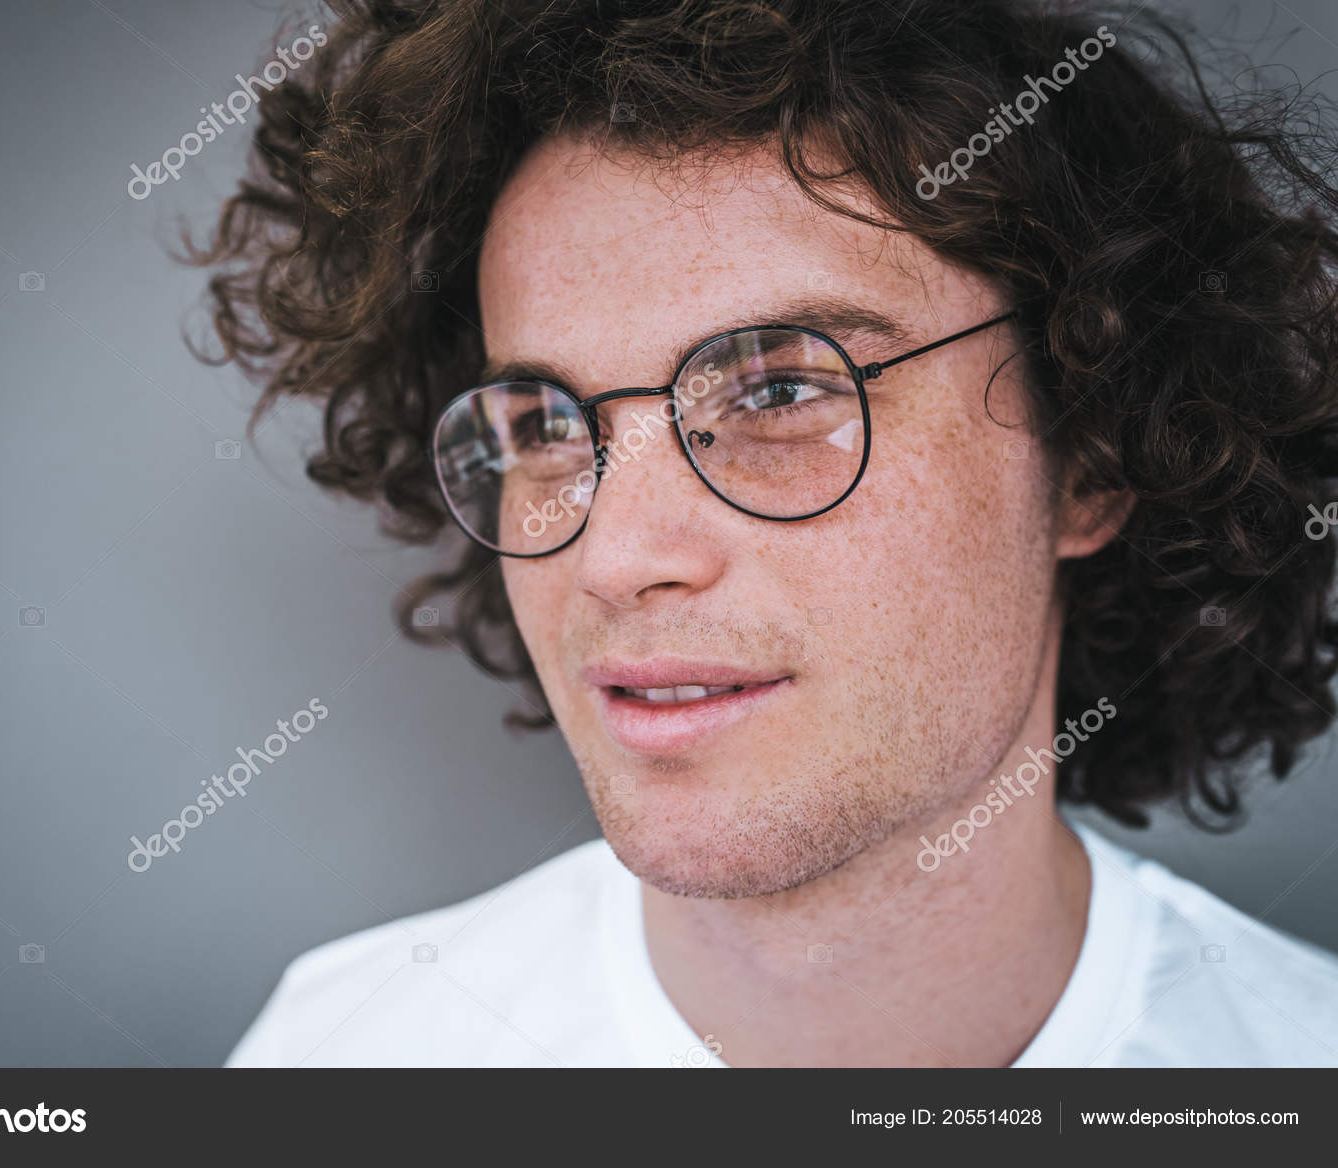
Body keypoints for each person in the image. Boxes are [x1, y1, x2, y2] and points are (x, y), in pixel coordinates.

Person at [199, 0, 1338, 1066]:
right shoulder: (341, 1056)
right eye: (545, 422)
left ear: (1092, 459)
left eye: (781, 392)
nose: (613, 558)